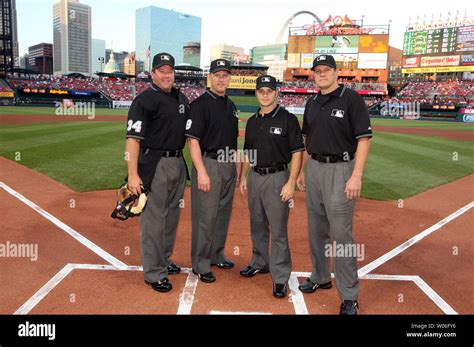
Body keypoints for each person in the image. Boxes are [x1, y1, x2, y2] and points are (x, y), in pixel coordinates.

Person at [296, 54, 372, 315]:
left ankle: (349, 295)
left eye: (327, 69)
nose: (322, 74)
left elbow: (364, 139)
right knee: (316, 229)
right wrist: (302, 171)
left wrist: (357, 175)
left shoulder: (351, 99)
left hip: (342, 170)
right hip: (315, 168)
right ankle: (320, 277)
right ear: (314, 75)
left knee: (341, 235)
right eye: (318, 71)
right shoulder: (312, 102)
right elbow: (307, 139)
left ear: (336, 73)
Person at [125, 52, 189, 293]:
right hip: (154, 163)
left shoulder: (181, 98)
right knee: (153, 220)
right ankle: (153, 272)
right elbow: (132, 140)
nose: (166, 74)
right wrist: (133, 174)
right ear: (153, 73)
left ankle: (164, 259)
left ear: (174, 73)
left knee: (171, 217)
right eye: (161, 70)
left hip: (177, 162)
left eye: (169, 70)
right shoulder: (144, 100)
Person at [239, 75, 304, 298]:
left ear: (277, 92)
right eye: (261, 91)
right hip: (256, 177)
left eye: (269, 90)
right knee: (257, 225)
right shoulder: (252, 120)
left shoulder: (287, 119)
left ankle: (280, 278)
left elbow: (297, 152)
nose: (265, 95)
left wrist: (291, 182)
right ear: (256, 93)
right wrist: (244, 177)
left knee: (278, 230)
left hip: (278, 177)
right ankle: (259, 262)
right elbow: (248, 152)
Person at [185, 59, 238, 283]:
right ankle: (200, 263)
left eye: (225, 75)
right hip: (208, 163)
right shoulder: (200, 104)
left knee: (222, 214)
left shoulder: (231, 105)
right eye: (217, 75)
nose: (221, 79)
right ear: (210, 77)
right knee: (205, 217)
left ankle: (217, 254)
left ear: (229, 78)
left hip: (228, 164)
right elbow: (192, 140)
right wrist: (202, 171)